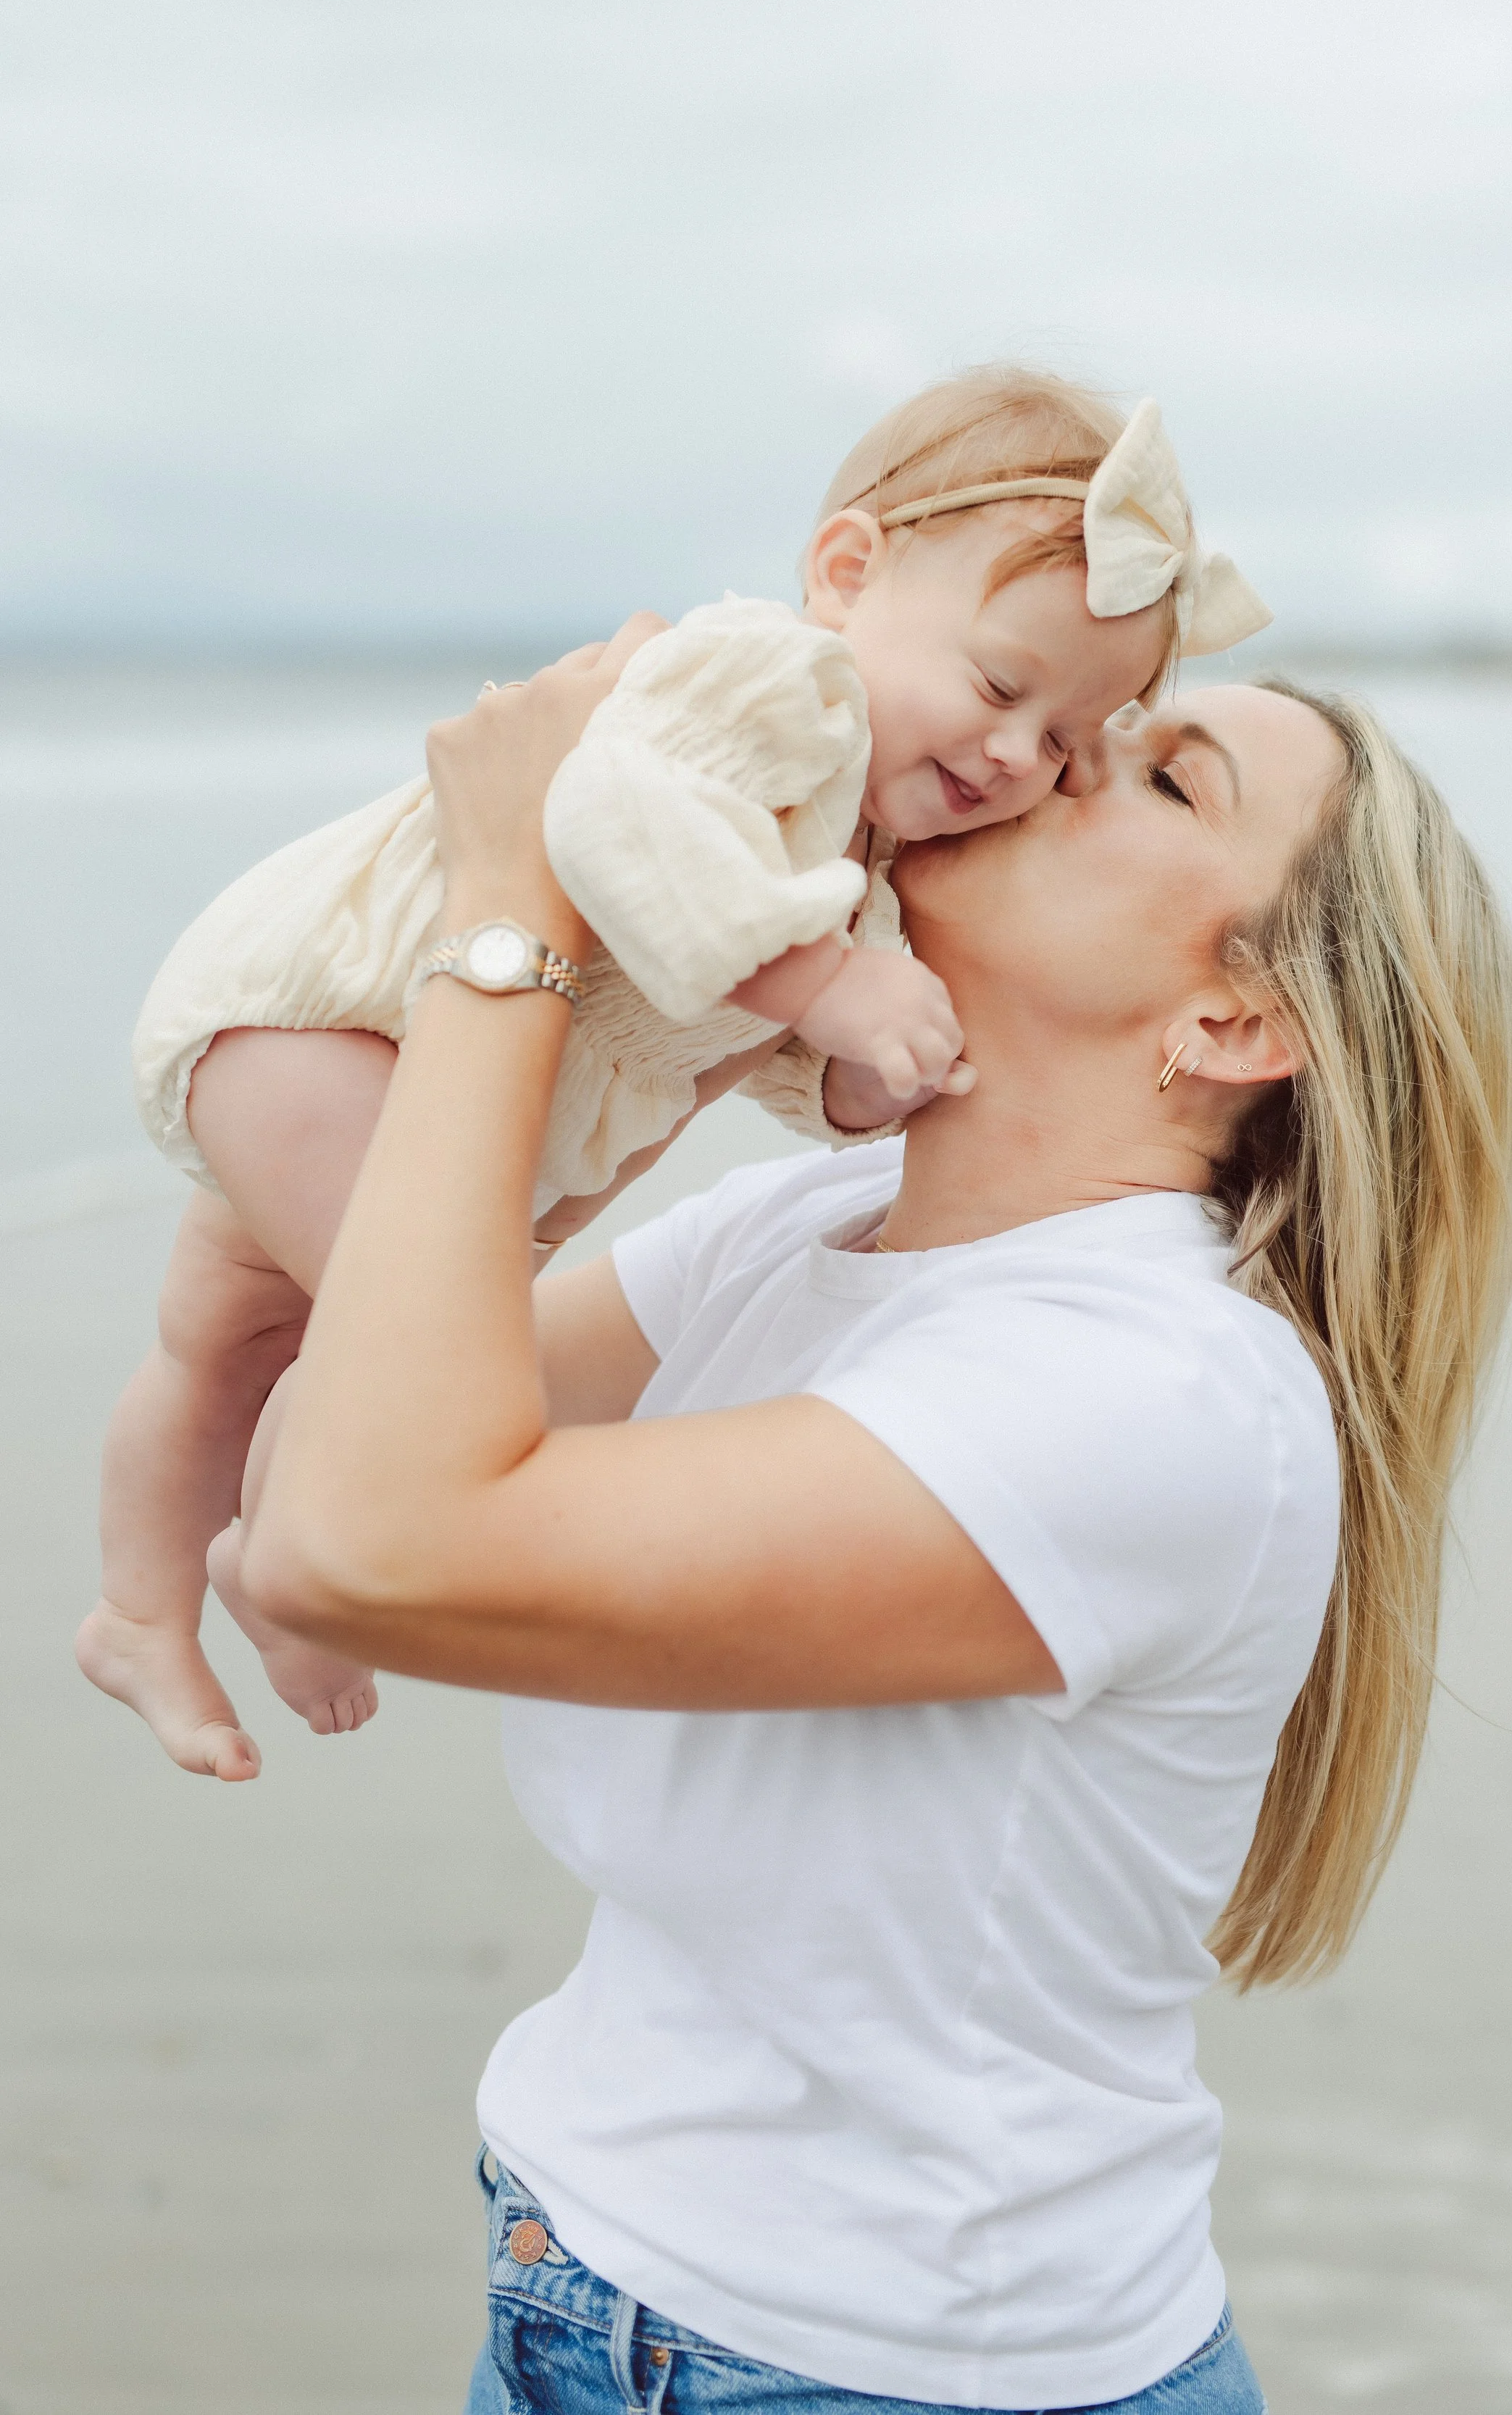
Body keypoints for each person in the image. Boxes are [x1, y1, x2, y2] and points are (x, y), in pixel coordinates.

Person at [238, 633, 1512, 2415]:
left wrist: (511, 911)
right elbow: (325, 1419)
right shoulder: (812, 1221)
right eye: (1096, 721)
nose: (1064, 752)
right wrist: (649, 998)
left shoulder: (1151, 1392)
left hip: (881, 2365)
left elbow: (360, 1542)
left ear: (1231, 1021)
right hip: (577, 2261)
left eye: (1165, 774)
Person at [77, 370, 1271, 1782]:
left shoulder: (873, 854)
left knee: (226, 1345)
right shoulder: (780, 686)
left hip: (407, 1060)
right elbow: (609, 819)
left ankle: (142, 1607)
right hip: (339, 1029)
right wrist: (828, 985)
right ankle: (297, 1576)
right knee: (410, 1341)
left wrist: (856, 1080)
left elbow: (753, 1042)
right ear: (847, 571)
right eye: (1003, 687)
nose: (1022, 755)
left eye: (1069, 742)